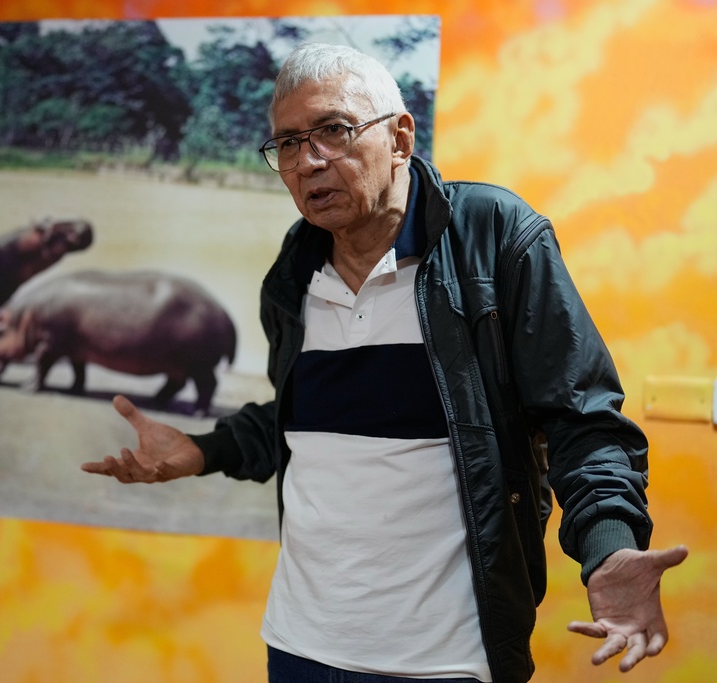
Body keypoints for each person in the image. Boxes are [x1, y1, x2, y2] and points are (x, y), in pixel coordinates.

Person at [81, 42, 687, 683]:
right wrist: (202, 451)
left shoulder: (492, 237)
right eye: (287, 144)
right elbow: (306, 418)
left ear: (399, 138)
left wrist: (609, 546)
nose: (307, 162)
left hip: (446, 661)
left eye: (333, 131)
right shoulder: (293, 272)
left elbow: (582, 418)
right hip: (298, 644)